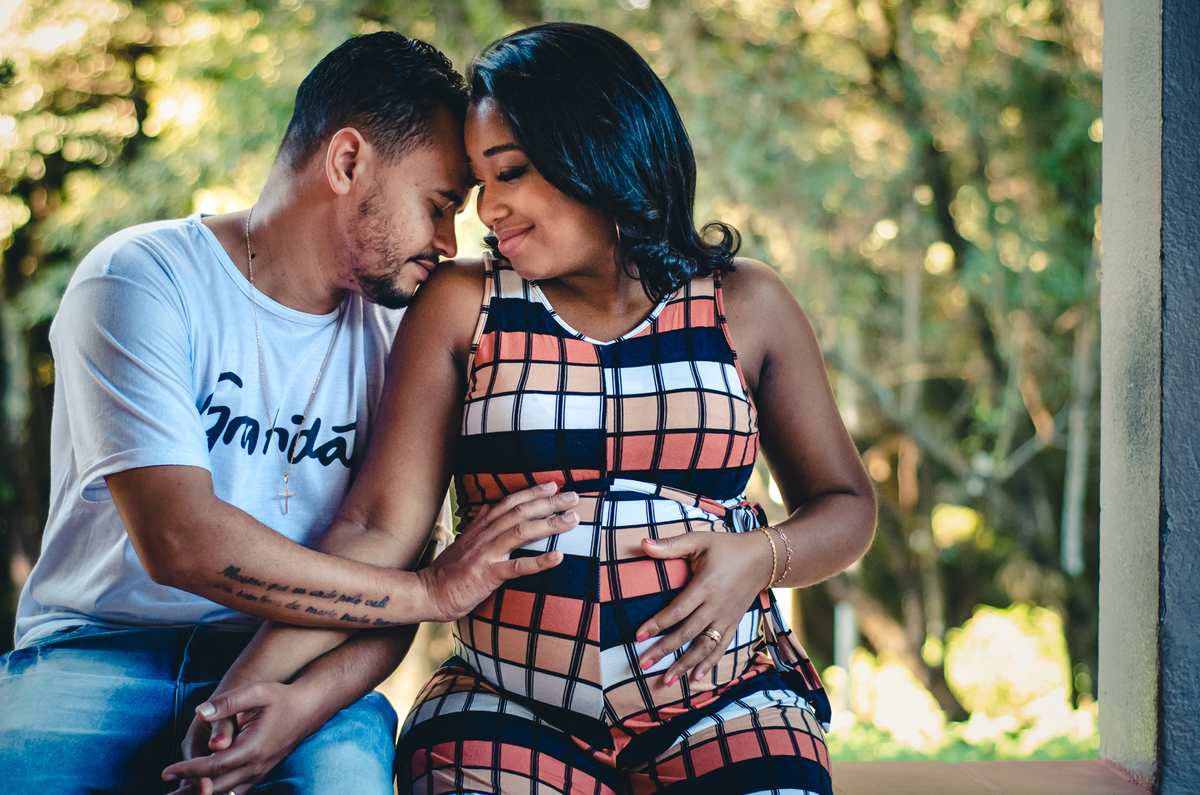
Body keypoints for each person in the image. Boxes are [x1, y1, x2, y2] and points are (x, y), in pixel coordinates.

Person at [171, 22, 876, 795]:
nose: (488, 211)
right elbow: (377, 531)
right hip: (506, 713)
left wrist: (761, 556)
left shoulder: (748, 303)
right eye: (479, 184)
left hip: (723, 703)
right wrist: (236, 699)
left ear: (597, 151)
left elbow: (845, 506)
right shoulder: (461, 303)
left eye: (510, 173)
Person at [0, 32, 577, 795]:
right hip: (97, 652)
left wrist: (302, 701)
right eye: (439, 206)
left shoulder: (408, 340)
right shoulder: (141, 279)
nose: (450, 241)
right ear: (346, 162)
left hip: (308, 668)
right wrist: (430, 593)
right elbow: (181, 539)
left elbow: (386, 570)